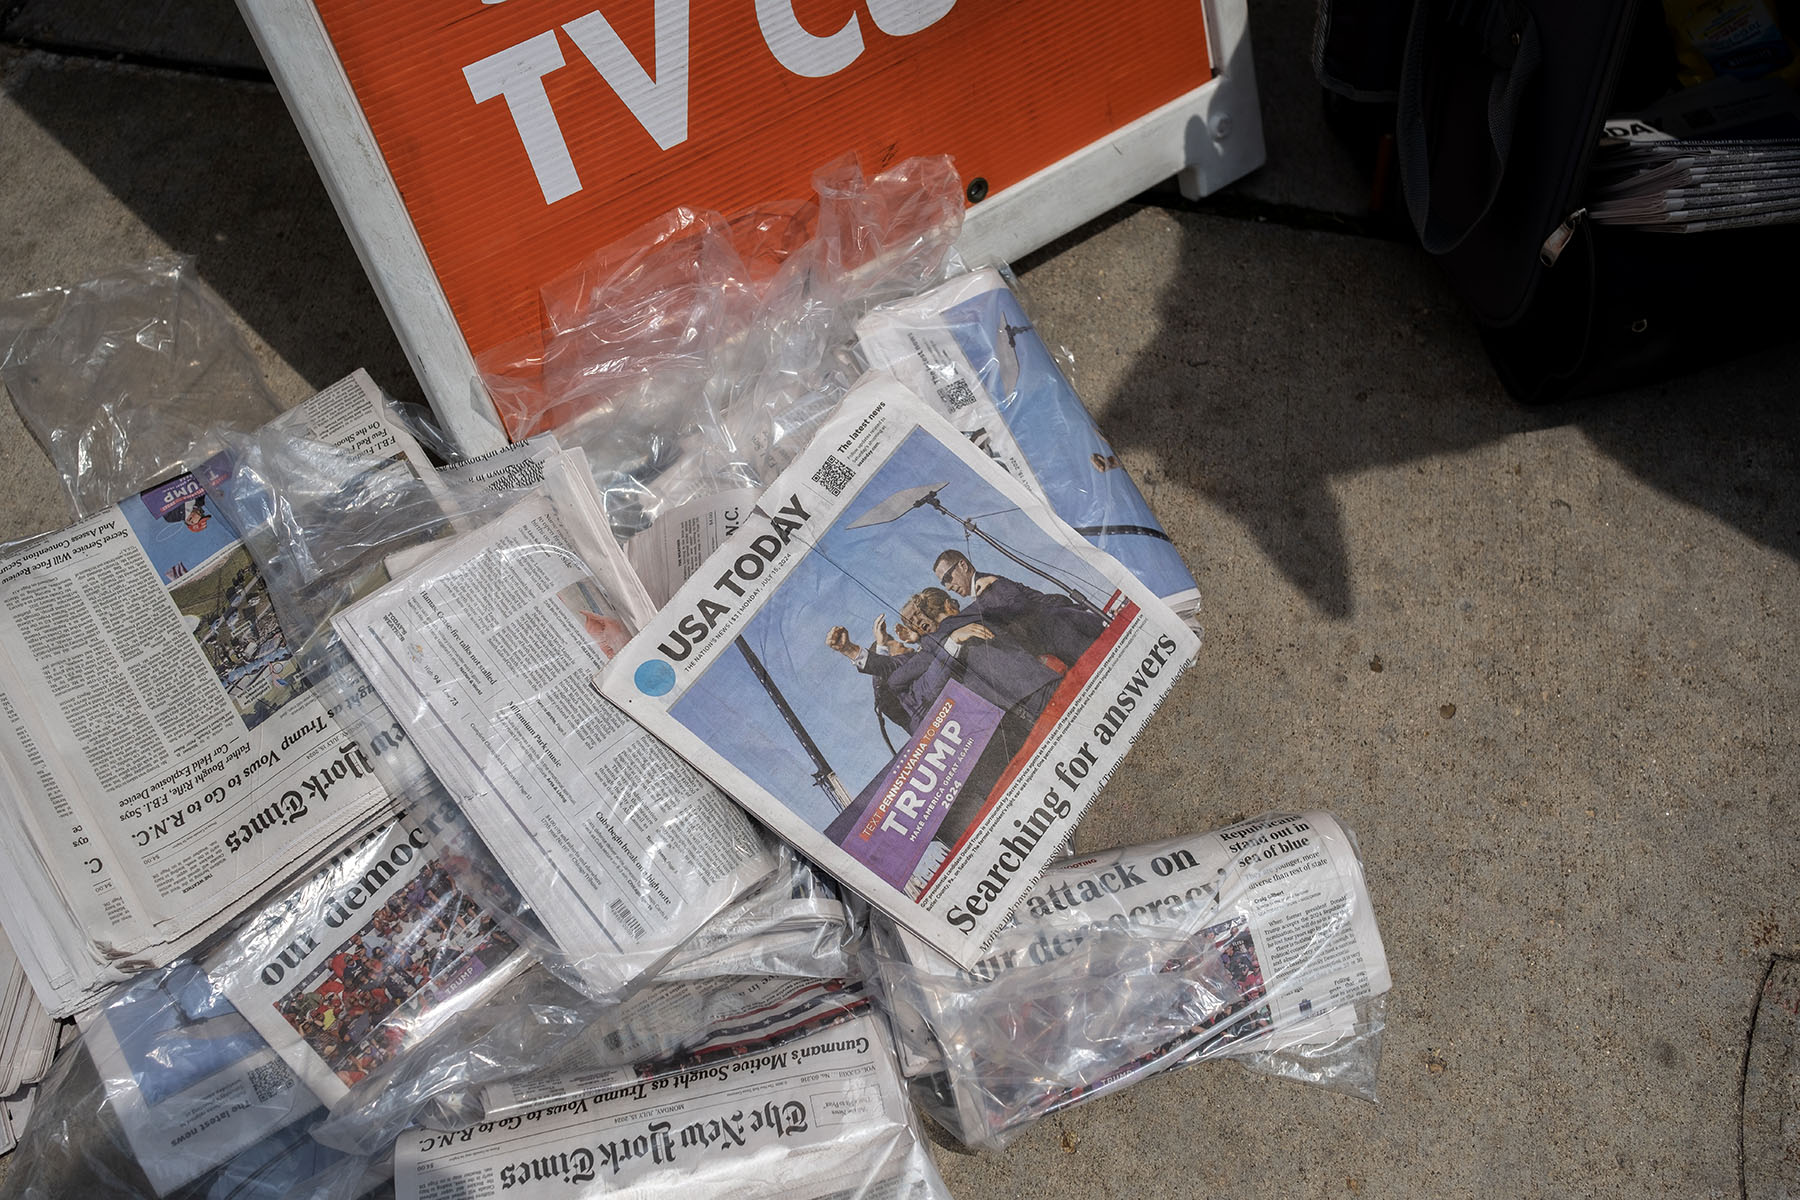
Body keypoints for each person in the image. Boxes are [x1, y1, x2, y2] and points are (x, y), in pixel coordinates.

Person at [930, 548, 1107, 673]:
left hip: (1066, 634)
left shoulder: (987, 588)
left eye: (948, 577)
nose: (948, 586)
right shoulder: (985, 586)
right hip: (1064, 631)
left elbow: (1024, 609)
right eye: (943, 583)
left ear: (963, 565)